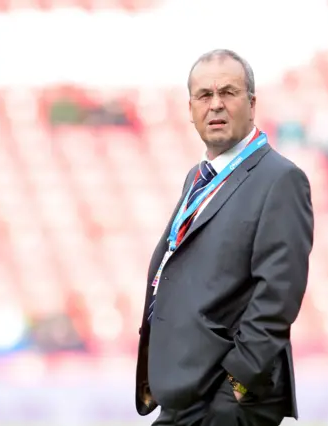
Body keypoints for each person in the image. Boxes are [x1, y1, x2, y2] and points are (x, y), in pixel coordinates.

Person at [134, 49, 314, 426]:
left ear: (251, 103)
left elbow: (278, 295)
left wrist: (238, 384)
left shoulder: (280, 179)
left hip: (227, 400)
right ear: (190, 108)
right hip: (188, 393)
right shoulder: (199, 178)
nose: (215, 105)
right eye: (204, 95)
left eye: (228, 93)